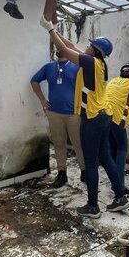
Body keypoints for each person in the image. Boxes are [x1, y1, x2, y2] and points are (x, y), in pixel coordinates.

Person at [39, 16, 129, 218]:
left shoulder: (90, 62)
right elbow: (69, 46)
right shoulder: (98, 63)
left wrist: (50, 31)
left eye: (90, 45)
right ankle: (120, 197)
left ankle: (93, 206)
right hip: (103, 116)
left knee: (90, 162)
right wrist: (53, 29)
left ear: (95, 50)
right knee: (105, 157)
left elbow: (63, 50)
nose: (86, 47)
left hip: (93, 118)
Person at [30, 51, 86, 188]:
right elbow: (34, 80)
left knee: (78, 143)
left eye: (62, 46)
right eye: (57, 46)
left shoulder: (77, 66)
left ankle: (85, 171)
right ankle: (62, 173)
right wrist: (42, 100)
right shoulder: (49, 67)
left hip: (74, 113)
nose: (59, 48)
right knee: (58, 143)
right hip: (54, 113)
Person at [106, 63, 129, 198]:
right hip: (117, 120)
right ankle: (118, 187)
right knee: (121, 150)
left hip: (105, 117)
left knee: (113, 151)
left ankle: (113, 183)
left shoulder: (113, 81)